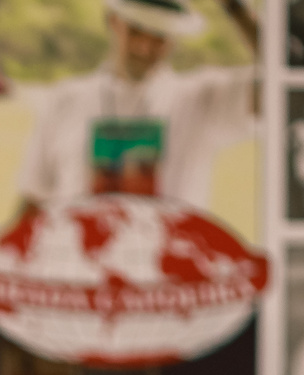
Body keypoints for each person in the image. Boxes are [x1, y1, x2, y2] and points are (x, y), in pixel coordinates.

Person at [14, 0, 257, 215]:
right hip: (82, 259)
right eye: (136, 31)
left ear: (174, 38)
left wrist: (235, 7)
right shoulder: (65, 100)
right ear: (113, 21)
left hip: (171, 260)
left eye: (159, 36)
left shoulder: (203, 98)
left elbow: (284, 69)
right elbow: (33, 201)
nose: (144, 47)